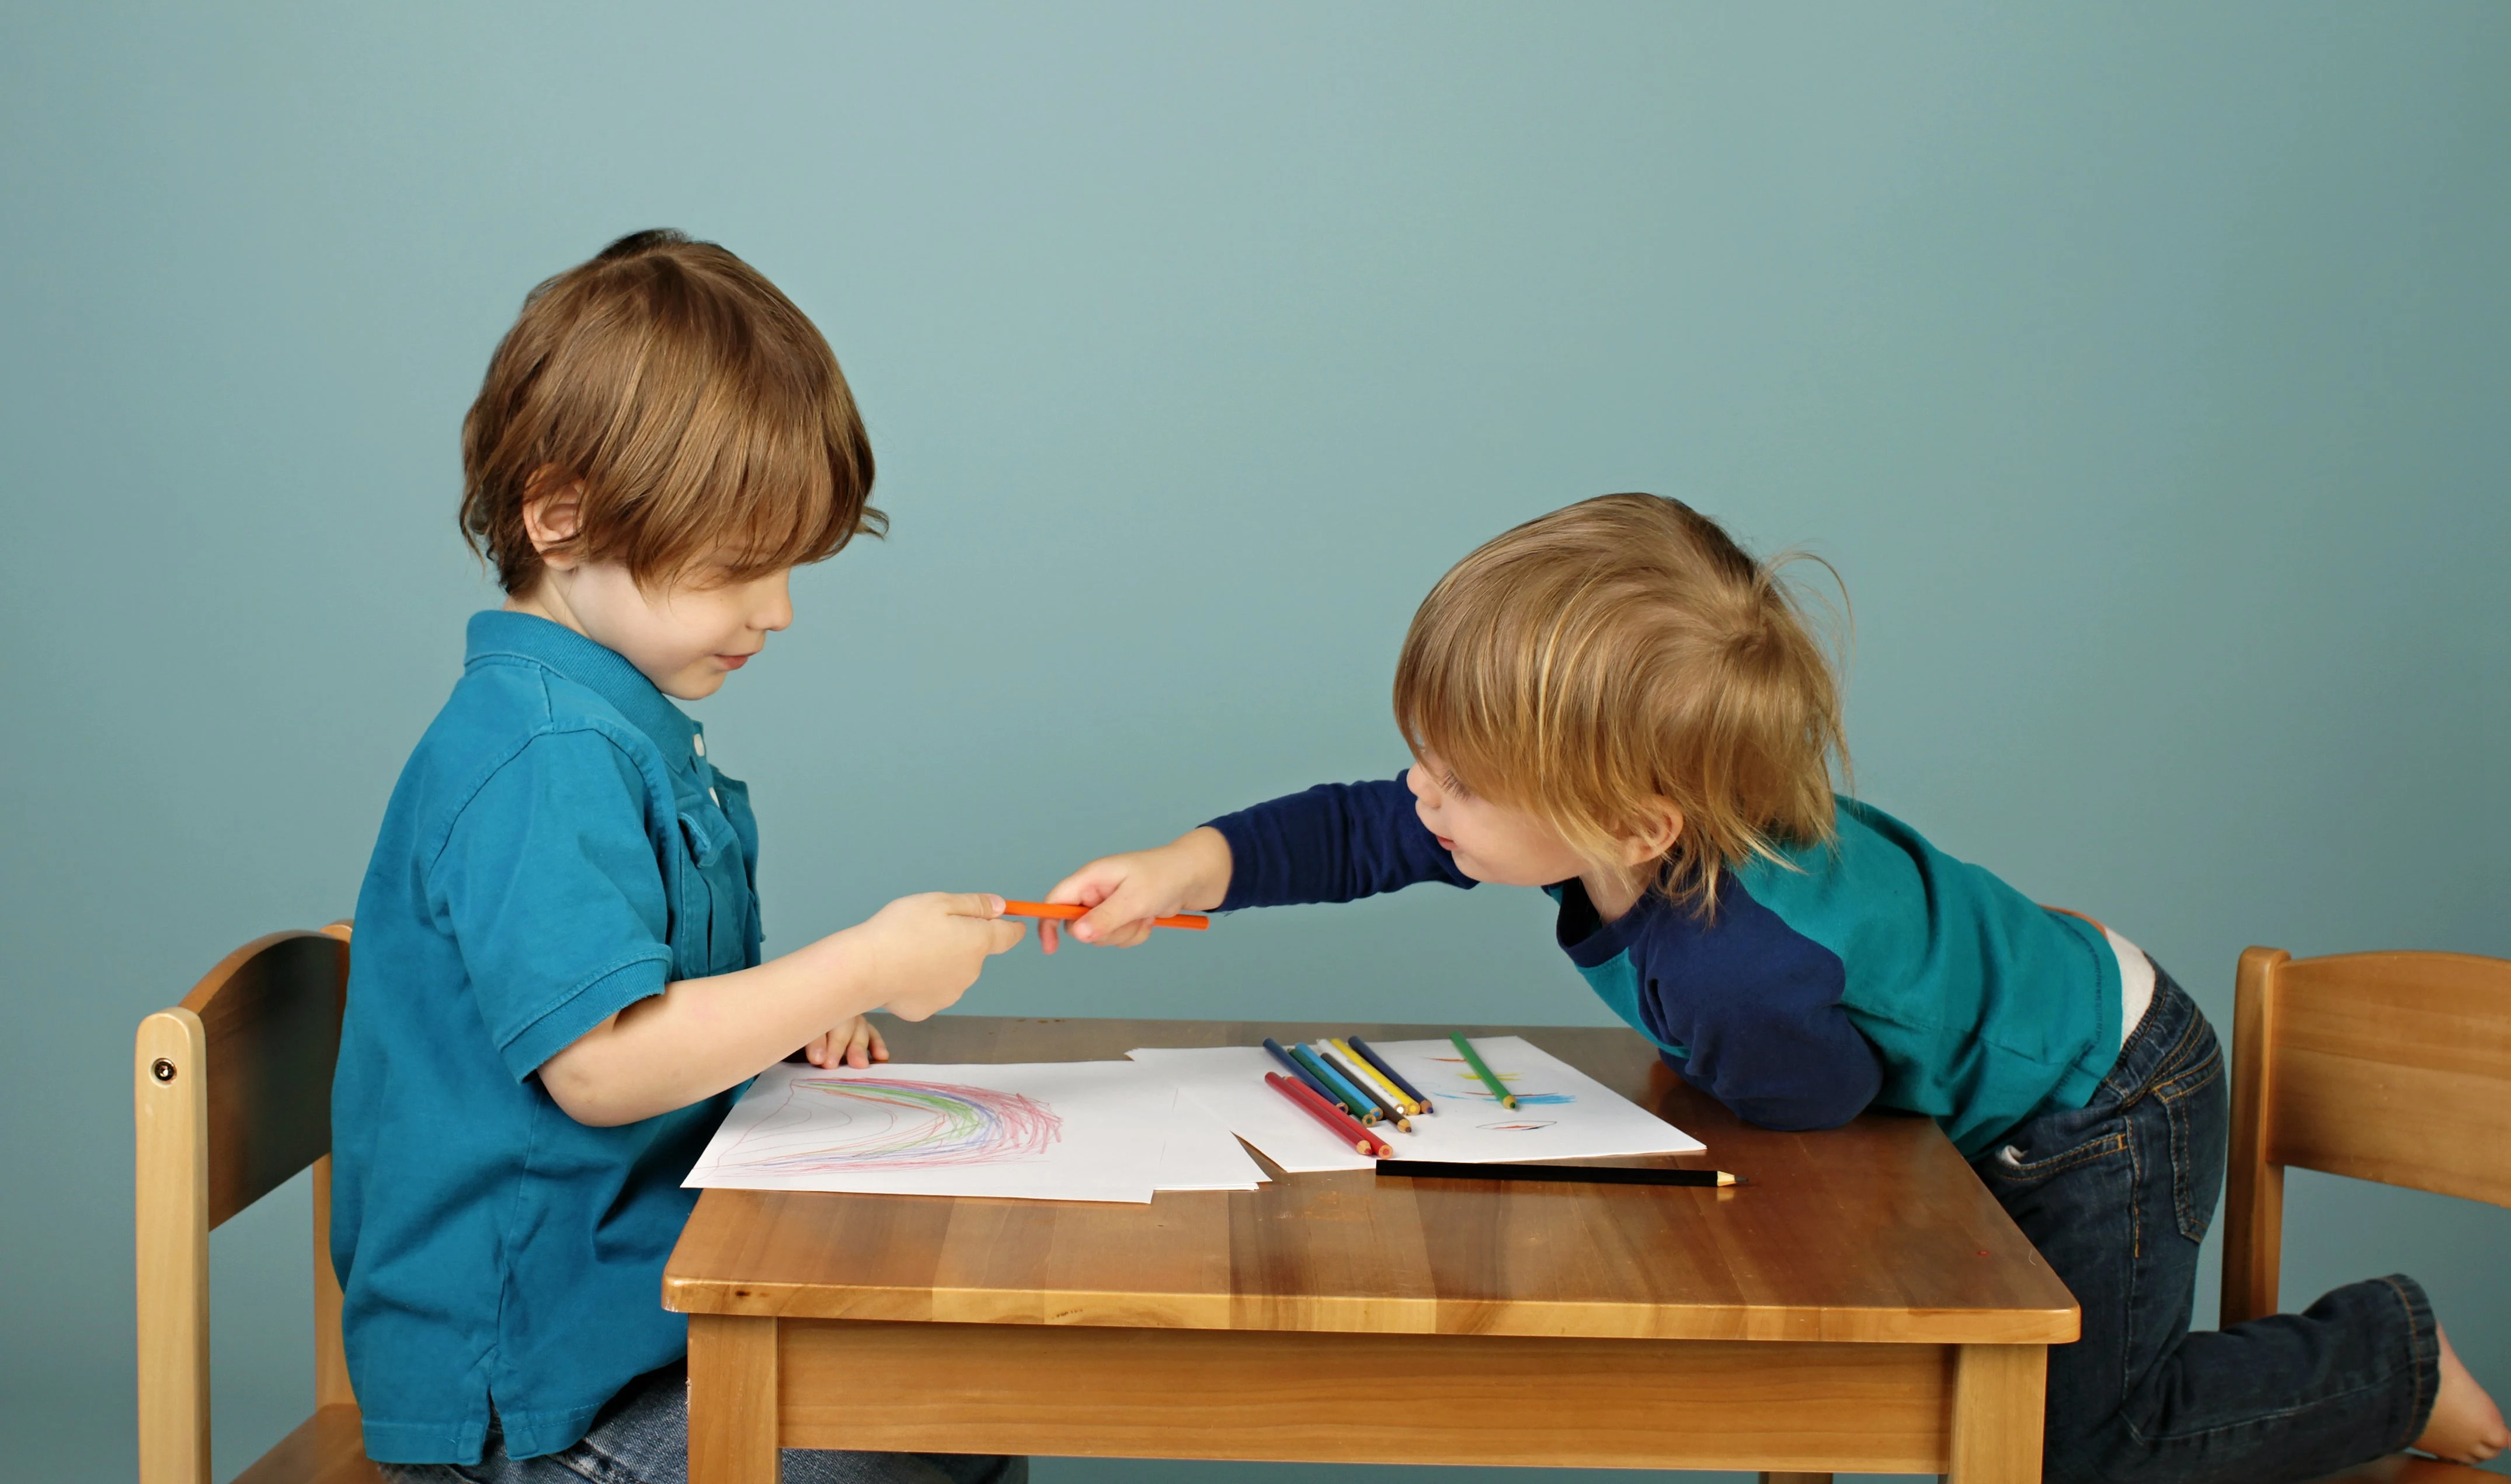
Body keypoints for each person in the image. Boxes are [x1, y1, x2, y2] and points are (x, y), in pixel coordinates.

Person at [1044, 492, 2505, 1484]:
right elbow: (1363, 824)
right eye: (1425, 754)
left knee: (2075, 1450)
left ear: (1634, 825)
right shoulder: (1602, 817)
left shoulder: (1737, 960)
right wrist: (1191, 865)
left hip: (2101, 1102)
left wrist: (1702, 1072)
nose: (1422, 795)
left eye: (1462, 781)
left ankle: (2384, 1355)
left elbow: (1817, 1099)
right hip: (2046, 1013)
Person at [332, 231, 1028, 1484]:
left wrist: (783, 1023)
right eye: (740, 569)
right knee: (910, 1441)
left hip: (636, 1334)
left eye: (790, 568)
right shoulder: (540, 754)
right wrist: (853, 960)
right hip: (540, 1416)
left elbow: (656, 1004)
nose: (778, 612)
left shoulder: (614, 730)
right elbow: (600, 1069)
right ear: (560, 516)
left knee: (950, 1408)